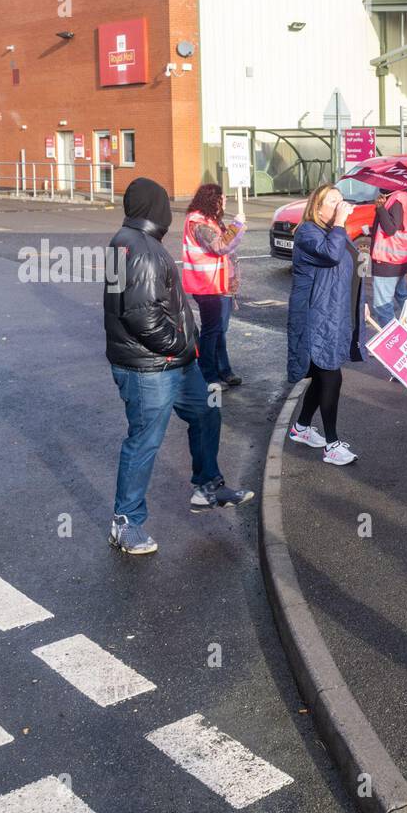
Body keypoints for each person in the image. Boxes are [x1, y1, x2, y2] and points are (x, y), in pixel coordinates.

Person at [104, 178, 254, 555]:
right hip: (152, 365)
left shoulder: (126, 242)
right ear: (155, 209)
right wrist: (180, 347)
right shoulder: (142, 251)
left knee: (206, 413)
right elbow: (142, 317)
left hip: (169, 362)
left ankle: (209, 488)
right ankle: (126, 522)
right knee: (144, 441)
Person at [287, 183, 362, 466]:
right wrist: (341, 223)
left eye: (341, 201)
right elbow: (331, 256)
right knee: (331, 375)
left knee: (323, 375)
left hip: (331, 313)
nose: (340, 206)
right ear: (317, 208)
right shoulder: (307, 231)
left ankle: (301, 427)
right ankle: (332, 445)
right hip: (314, 316)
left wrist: (357, 302)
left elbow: (344, 270)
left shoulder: (331, 231)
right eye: (333, 202)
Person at [181, 183, 246, 390]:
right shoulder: (199, 223)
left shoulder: (210, 220)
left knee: (219, 330)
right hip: (208, 285)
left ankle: (224, 370)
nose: (225, 202)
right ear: (212, 200)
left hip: (219, 284)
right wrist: (237, 225)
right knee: (212, 331)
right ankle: (209, 375)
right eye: (222, 199)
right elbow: (220, 246)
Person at [369, 185, 407, 340]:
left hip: (387, 260)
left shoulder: (396, 200)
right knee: (403, 297)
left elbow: (390, 229)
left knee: (382, 306)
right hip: (398, 258)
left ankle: (393, 342)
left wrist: (380, 208)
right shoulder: (405, 198)